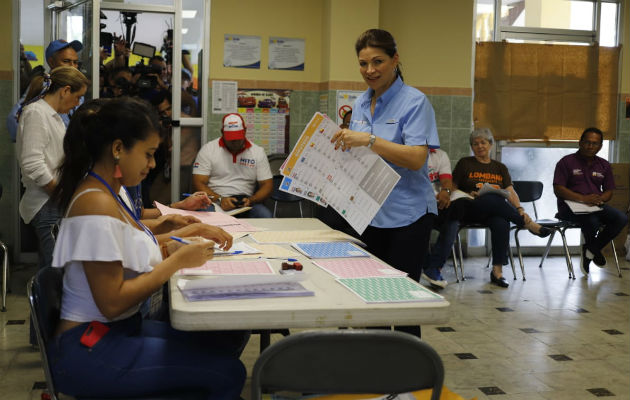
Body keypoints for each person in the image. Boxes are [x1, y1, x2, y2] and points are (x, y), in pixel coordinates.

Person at [48, 97, 247, 399]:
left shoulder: (110, 193)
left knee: (220, 346)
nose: (152, 165)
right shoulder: (95, 203)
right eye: (148, 154)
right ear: (117, 149)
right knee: (228, 373)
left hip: (117, 330)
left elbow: (130, 247)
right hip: (90, 347)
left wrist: (186, 233)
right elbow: (112, 302)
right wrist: (177, 261)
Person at [331, 29, 439, 337]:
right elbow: (360, 156)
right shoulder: (361, 103)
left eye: (378, 62)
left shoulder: (415, 102)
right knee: (371, 298)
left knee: (402, 302)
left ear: (395, 60)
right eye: (363, 64)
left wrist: (368, 140)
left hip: (408, 214)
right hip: (370, 212)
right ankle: (375, 372)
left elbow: (417, 158)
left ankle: (408, 377)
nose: (370, 71)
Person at [451, 128, 551, 288]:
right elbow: (452, 188)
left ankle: (497, 272)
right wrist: (469, 193)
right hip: (470, 208)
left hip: (492, 211)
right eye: (475, 144)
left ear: (490, 144)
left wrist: (519, 209)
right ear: (472, 147)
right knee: (492, 197)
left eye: (483, 142)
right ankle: (528, 224)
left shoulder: (500, 167)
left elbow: (510, 191)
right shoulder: (465, 163)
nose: (479, 146)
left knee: (501, 222)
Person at [16, 66, 89, 271]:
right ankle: (49, 303)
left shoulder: (53, 116)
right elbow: (32, 163)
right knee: (57, 270)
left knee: (54, 266)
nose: (78, 103)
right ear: (65, 90)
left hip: (53, 200)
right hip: (45, 202)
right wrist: (59, 193)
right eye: (78, 97)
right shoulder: (36, 113)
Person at [553, 127, 628, 275]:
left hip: (595, 205)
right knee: (592, 221)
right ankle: (592, 253)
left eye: (595, 143)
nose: (590, 146)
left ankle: (591, 249)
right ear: (580, 143)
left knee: (621, 218)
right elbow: (558, 189)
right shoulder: (566, 162)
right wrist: (582, 199)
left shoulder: (604, 165)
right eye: (587, 142)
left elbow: (609, 191)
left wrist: (600, 199)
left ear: (600, 146)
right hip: (569, 207)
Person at [192, 113, 273, 218]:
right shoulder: (208, 150)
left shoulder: (257, 152)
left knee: (265, 215)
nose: (235, 142)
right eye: (231, 138)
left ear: (245, 131)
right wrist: (220, 199)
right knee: (204, 217)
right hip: (215, 201)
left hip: (246, 202)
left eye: (238, 137)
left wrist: (252, 200)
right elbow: (198, 182)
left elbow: (267, 185)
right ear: (222, 132)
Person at [7, 39, 83, 142]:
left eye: (75, 62)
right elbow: (14, 118)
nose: (72, 66)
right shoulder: (44, 86)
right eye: (66, 61)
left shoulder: (76, 88)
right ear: (51, 62)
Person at [421, 148, 459, 289]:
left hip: (437, 203)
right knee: (422, 221)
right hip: (417, 204)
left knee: (453, 221)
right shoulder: (410, 151)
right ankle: (426, 266)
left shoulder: (440, 155)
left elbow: (446, 181)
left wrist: (446, 191)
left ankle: (434, 268)